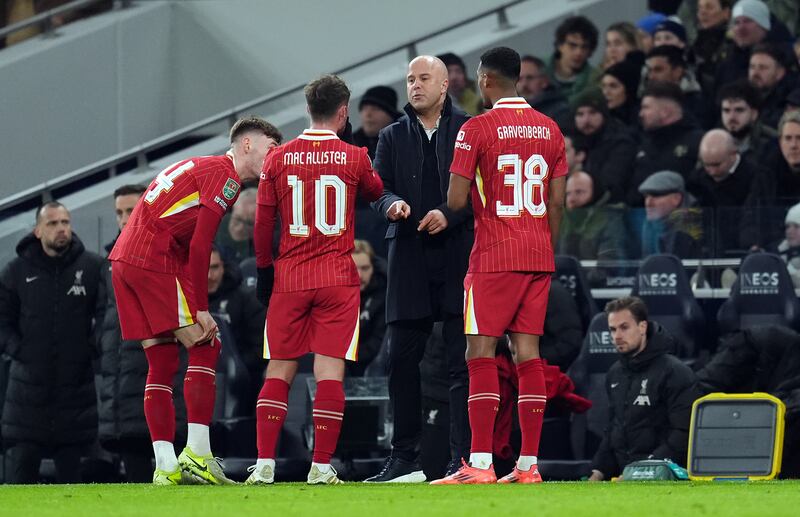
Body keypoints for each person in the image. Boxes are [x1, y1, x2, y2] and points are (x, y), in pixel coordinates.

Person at [108, 116, 282, 485]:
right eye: (271, 148)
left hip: (125, 261)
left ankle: (166, 466)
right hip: (153, 259)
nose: (274, 157)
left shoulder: (199, 166)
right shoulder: (226, 177)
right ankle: (199, 454)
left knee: (161, 359)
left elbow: (184, 240)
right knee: (207, 342)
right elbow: (202, 244)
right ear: (246, 145)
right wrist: (200, 306)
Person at [432, 46, 567, 484]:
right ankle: (528, 467)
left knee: (480, 354)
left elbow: (454, 201)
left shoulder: (476, 128)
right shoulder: (551, 130)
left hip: (494, 256)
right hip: (538, 255)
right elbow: (558, 201)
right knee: (528, 356)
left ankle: (482, 464)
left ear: (486, 80)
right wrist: (547, 246)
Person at [247, 74, 384, 486]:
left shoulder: (278, 158)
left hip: (291, 275)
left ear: (309, 109)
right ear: (343, 112)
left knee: (280, 370)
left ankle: (265, 463)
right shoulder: (356, 156)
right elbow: (377, 193)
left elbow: (261, 223)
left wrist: (263, 270)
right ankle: (321, 466)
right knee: (329, 373)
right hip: (338, 278)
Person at [368, 55, 472, 482]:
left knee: (460, 364)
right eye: (410, 79)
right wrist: (391, 203)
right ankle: (404, 459)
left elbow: (482, 188)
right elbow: (377, 187)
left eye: (424, 78)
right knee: (399, 363)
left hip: (456, 253)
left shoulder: (469, 129)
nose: (415, 86)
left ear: (444, 85)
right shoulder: (392, 135)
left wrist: (450, 212)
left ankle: (462, 459)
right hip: (408, 253)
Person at [0, 202, 105, 483]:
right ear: (37, 231)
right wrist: (18, 350)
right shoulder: (16, 271)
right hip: (26, 399)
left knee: (75, 491)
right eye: (53, 223)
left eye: (65, 222)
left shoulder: (92, 267)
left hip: (76, 398)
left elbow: (108, 315)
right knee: (16, 491)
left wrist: (91, 350)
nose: (61, 229)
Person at [99, 184, 188, 483]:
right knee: (136, 477)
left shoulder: (168, 252)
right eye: (119, 213)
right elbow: (102, 319)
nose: (125, 218)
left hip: (160, 370)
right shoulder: (106, 264)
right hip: (122, 386)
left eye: (130, 210)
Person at [588, 297, 699, 481]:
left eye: (624, 327)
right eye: (612, 329)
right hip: (625, 477)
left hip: (666, 478)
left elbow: (683, 433)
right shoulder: (614, 374)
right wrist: (598, 470)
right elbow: (613, 430)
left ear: (642, 327)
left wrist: (643, 470)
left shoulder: (675, 372)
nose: (617, 336)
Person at [628, 81, 704, 206]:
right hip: (642, 219)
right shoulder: (643, 143)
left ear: (665, 112)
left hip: (684, 219)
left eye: (646, 108)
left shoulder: (698, 142)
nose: (640, 114)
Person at [207, 247, 265, 405]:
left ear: (224, 267)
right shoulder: (183, 302)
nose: (209, 276)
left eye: (214, 267)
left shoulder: (246, 300)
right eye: (203, 267)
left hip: (238, 390)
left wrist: (236, 364)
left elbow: (261, 349)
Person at [690, 129, 759, 255]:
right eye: (707, 165)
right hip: (712, 249)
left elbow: (754, 214)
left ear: (733, 154)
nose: (712, 171)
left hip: (744, 247)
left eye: (717, 165)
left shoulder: (755, 175)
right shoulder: (698, 178)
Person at [742, 110, 800, 248]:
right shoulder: (766, 173)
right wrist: (754, 243)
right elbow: (750, 218)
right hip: (776, 250)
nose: (793, 145)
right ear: (780, 142)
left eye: (799, 138)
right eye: (788, 138)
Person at [571, 88, 637, 204]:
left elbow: (612, 184)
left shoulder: (621, 142)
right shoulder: (574, 142)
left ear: (604, 113)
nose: (586, 120)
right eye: (580, 114)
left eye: (593, 112)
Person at [558, 171, 628, 267]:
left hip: (594, 280)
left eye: (579, 192)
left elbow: (610, 264)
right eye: (568, 194)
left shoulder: (609, 220)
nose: (571, 199)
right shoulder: (562, 221)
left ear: (595, 192)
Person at [639, 171, 704, 258]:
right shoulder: (649, 224)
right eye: (646, 197)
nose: (648, 203)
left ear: (676, 199)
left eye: (656, 196)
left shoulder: (692, 225)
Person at [348, 239, 387, 377]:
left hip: (376, 370)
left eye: (365, 268)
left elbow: (380, 340)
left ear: (373, 268)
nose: (359, 275)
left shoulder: (385, 295)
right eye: (353, 268)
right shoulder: (330, 296)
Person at [545, 15, 599, 104]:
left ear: (590, 51)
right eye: (572, 45)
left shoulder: (594, 79)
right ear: (560, 45)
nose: (578, 52)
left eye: (584, 47)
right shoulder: (539, 69)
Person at [718, 79, 777, 160]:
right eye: (726, 110)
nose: (731, 117)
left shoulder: (771, 143)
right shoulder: (714, 141)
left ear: (754, 114)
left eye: (739, 110)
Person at [748, 43, 797, 131]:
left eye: (762, 68)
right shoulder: (742, 94)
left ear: (780, 73)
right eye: (752, 67)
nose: (755, 73)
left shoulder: (790, 98)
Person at [517, 55, 570, 128]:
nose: (524, 84)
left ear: (544, 81)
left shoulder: (560, 111)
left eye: (530, 78)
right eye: (519, 79)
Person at [352, 86, 401, 159]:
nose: (368, 114)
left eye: (375, 109)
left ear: (391, 115)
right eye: (364, 109)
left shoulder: (410, 143)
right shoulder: (348, 146)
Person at [215, 187, 258, 260]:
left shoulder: (262, 247)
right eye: (237, 219)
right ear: (232, 211)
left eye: (249, 223)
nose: (240, 228)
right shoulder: (215, 228)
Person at [771, 202, 800, 287]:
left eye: (796, 226)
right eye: (787, 226)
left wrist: (788, 270)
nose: (789, 231)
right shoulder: (776, 255)